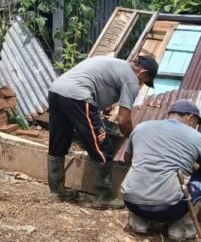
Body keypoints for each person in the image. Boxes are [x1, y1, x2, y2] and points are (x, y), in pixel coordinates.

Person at [47, 55, 159, 207]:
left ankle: (56, 191)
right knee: (103, 147)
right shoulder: (131, 79)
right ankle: (104, 197)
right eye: (143, 81)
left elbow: (95, 80)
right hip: (78, 95)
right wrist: (135, 141)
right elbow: (123, 120)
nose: (140, 85)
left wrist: (102, 103)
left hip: (56, 90)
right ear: (143, 73)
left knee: (59, 141)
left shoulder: (114, 62)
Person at [121, 99, 201, 240]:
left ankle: (138, 222)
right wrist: (193, 167)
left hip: (131, 201)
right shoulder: (197, 137)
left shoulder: (141, 127)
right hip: (168, 209)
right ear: (190, 117)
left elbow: (127, 159)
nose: (196, 126)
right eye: (196, 122)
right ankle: (180, 230)